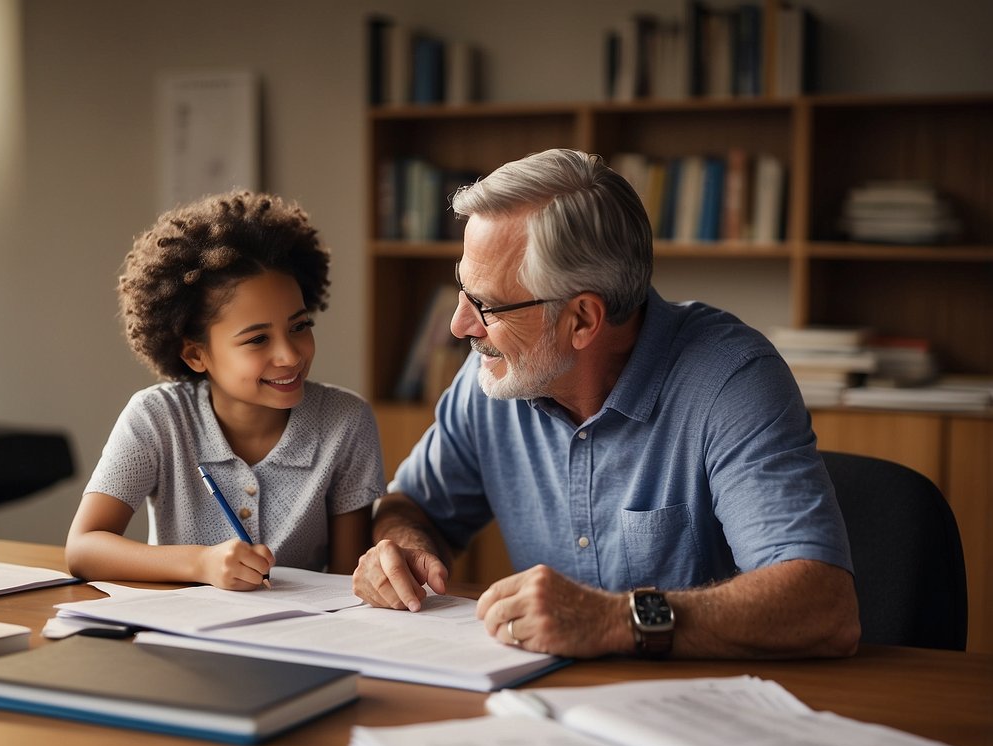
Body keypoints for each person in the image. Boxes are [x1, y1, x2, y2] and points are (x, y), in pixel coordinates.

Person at [353, 149, 860, 660]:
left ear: (582, 320)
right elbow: (409, 506)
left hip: (704, 714)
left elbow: (823, 606)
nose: (459, 325)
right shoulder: (494, 375)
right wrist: (404, 550)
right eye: (462, 287)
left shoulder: (731, 381)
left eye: (486, 305)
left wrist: (614, 619)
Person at [67, 190, 385, 588]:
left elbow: (349, 579)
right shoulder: (157, 418)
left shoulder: (346, 422)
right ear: (196, 355)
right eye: (257, 340)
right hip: (179, 637)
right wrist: (201, 564)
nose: (289, 355)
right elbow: (83, 548)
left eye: (299, 327)